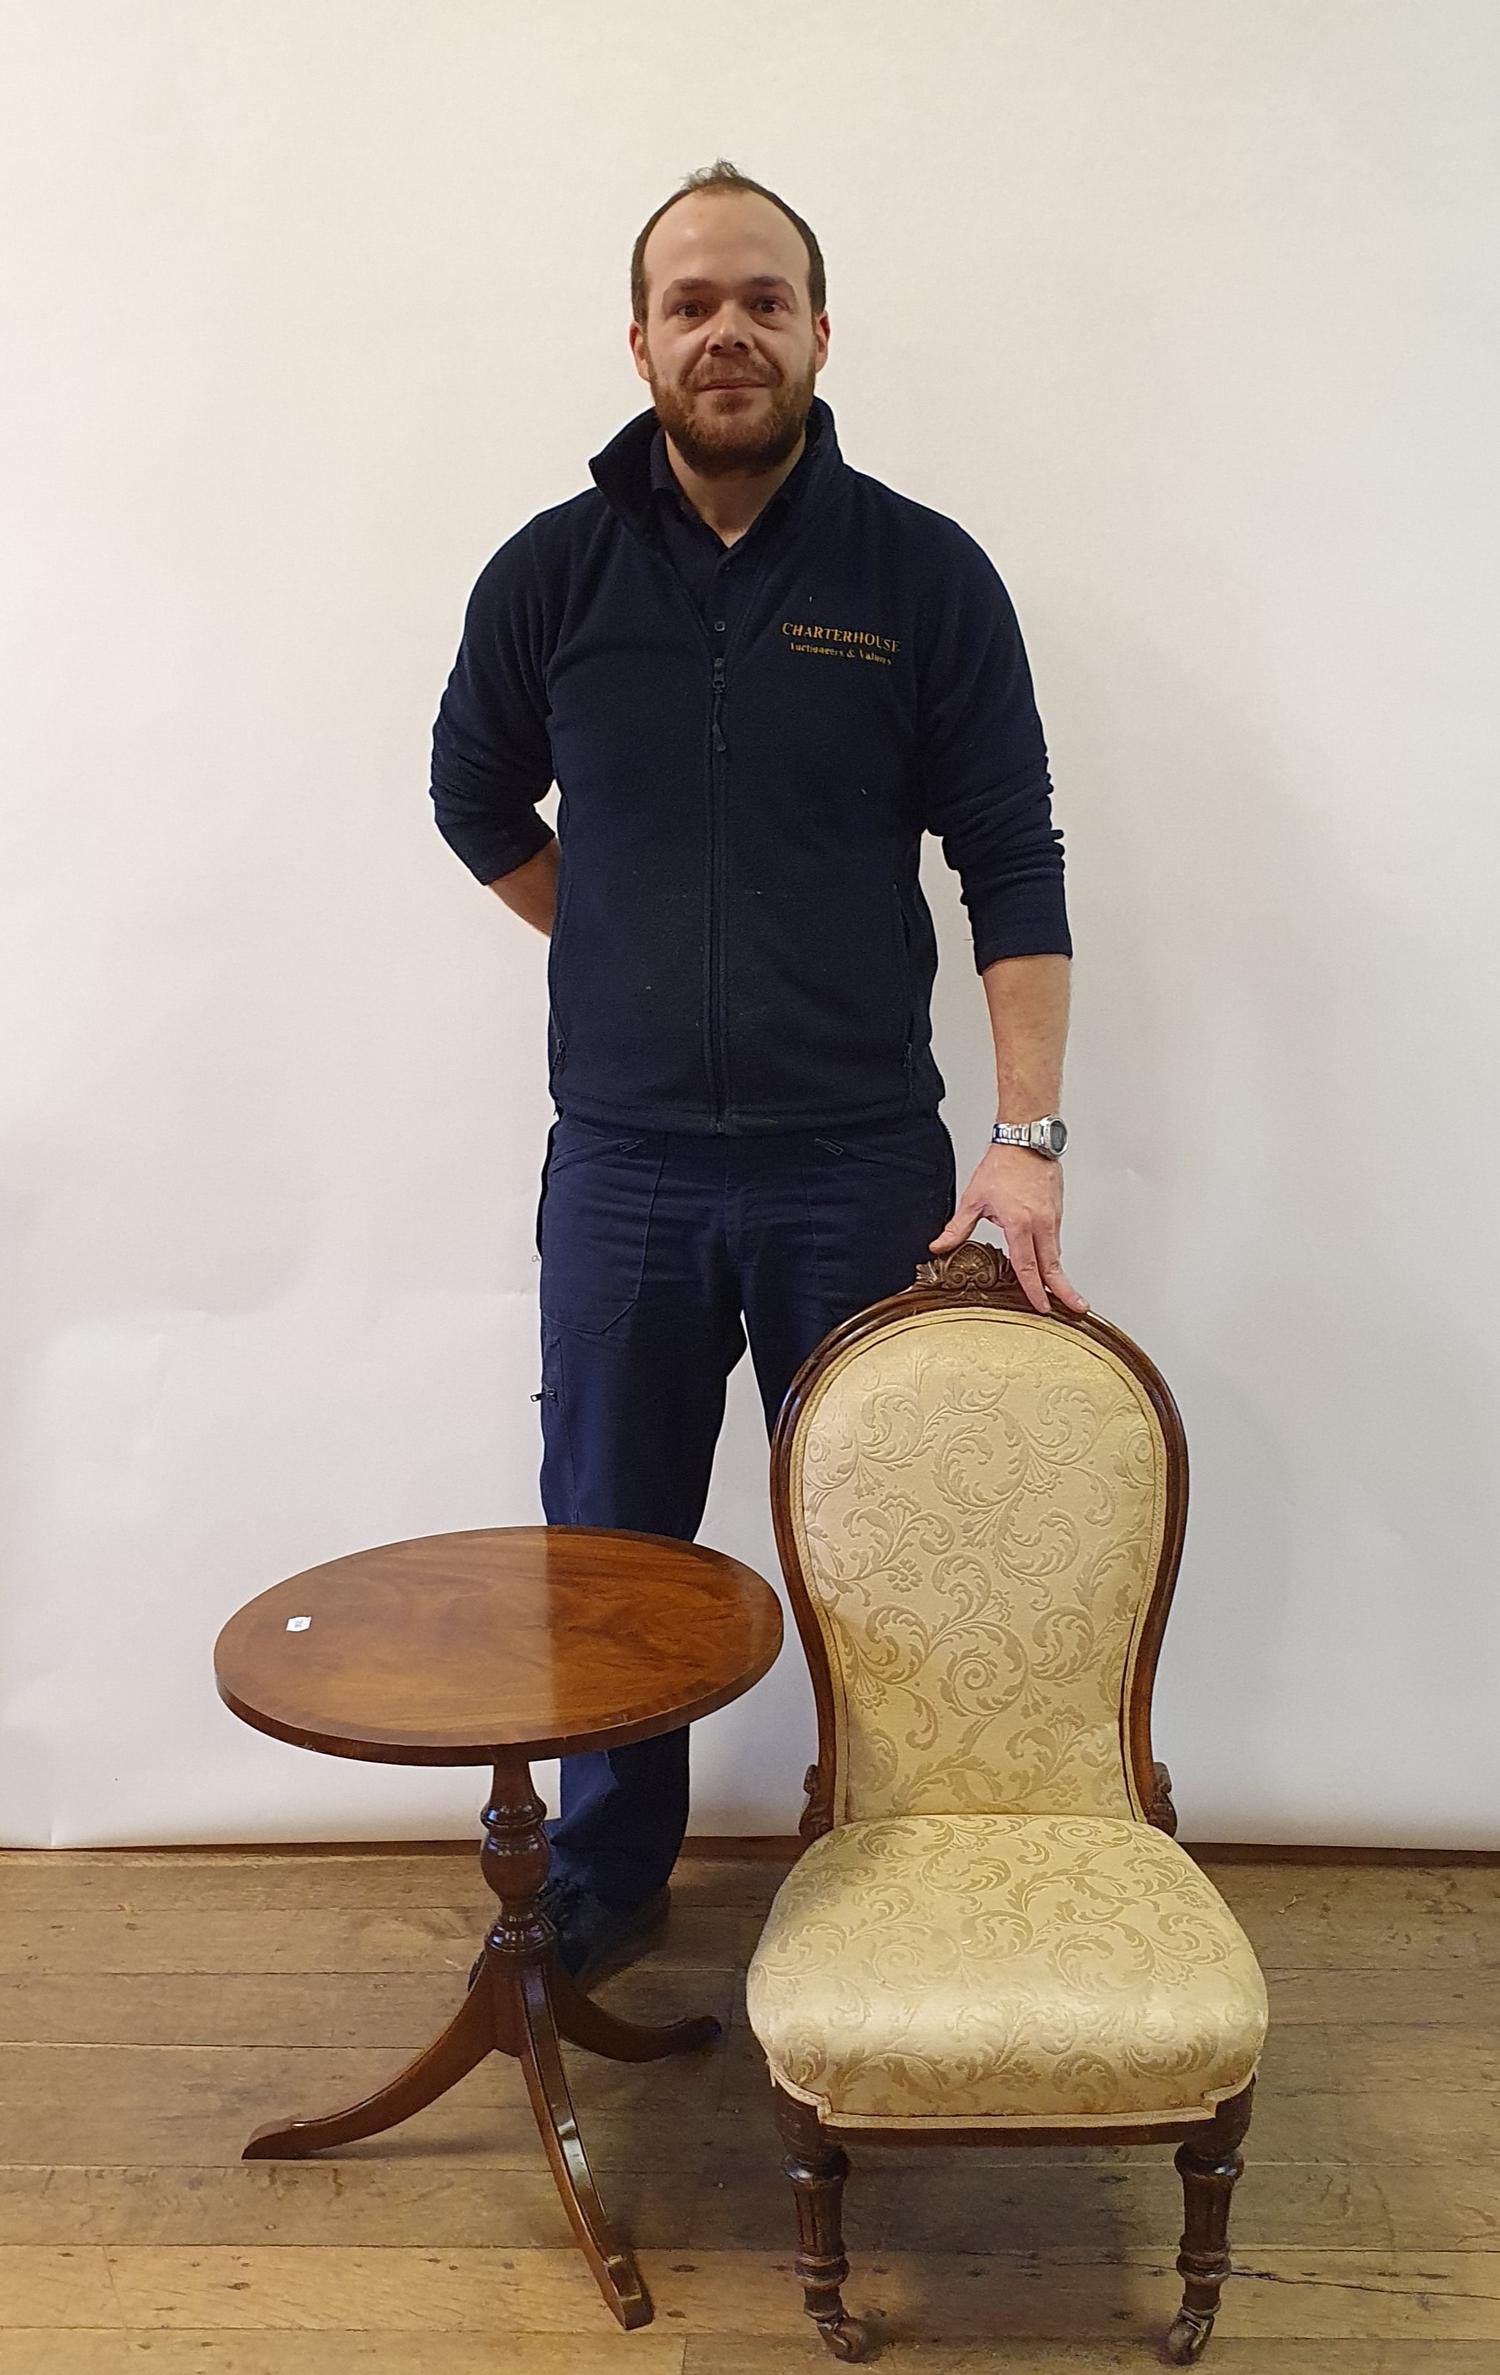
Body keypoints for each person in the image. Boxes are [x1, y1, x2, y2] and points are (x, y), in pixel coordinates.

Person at [430, 159, 1088, 1988]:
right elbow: (468, 797)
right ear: (639, 339)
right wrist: (622, 944)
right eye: (692, 301)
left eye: (763, 299)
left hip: (860, 1164)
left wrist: (1024, 1138)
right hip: (627, 1171)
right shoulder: (550, 578)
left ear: (817, 330)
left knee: (882, 1540)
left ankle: (897, 1859)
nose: (728, 330)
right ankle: (610, 1872)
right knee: (611, 1551)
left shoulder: (922, 574)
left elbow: (1012, 863)